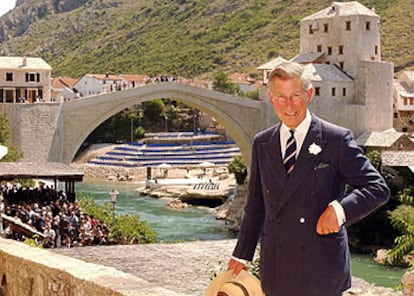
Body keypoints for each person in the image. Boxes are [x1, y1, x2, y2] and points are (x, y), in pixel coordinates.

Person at [227, 61, 390, 296]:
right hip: (276, 268)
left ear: (309, 94)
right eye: (281, 97)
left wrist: (340, 211)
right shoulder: (262, 142)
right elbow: (256, 206)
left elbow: (377, 187)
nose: (289, 105)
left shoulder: (336, 139)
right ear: (271, 98)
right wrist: (241, 254)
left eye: (295, 95)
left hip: (321, 268)